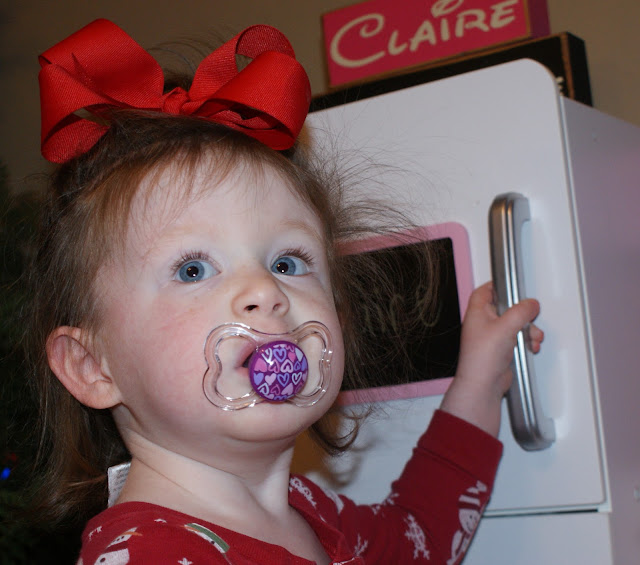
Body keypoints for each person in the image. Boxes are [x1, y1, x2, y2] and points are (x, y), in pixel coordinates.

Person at [27, 19, 543, 565]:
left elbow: (418, 539)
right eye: (193, 270)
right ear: (93, 367)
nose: (264, 290)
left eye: (286, 262)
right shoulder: (149, 557)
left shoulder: (311, 512)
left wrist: (481, 381)